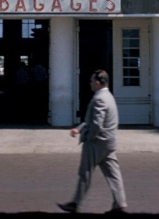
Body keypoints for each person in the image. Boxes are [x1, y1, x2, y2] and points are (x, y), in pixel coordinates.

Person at [58, 69, 127, 214]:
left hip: (96, 143)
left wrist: (88, 137)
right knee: (114, 175)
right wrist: (79, 128)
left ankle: (75, 203)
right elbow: (91, 121)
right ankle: (120, 204)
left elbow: (96, 124)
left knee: (85, 173)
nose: (90, 84)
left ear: (97, 82)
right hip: (109, 142)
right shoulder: (109, 97)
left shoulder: (99, 99)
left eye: (91, 81)